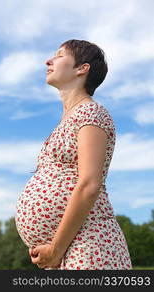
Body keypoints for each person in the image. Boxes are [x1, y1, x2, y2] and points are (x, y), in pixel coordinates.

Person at [15, 39, 132, 270]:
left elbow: (89, 184)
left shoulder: (91, 112)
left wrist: (55, 249)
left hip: (89, 245)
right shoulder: (67, 120)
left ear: (82, 68)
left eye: (59, 56)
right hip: (65, 251)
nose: (48, 60)